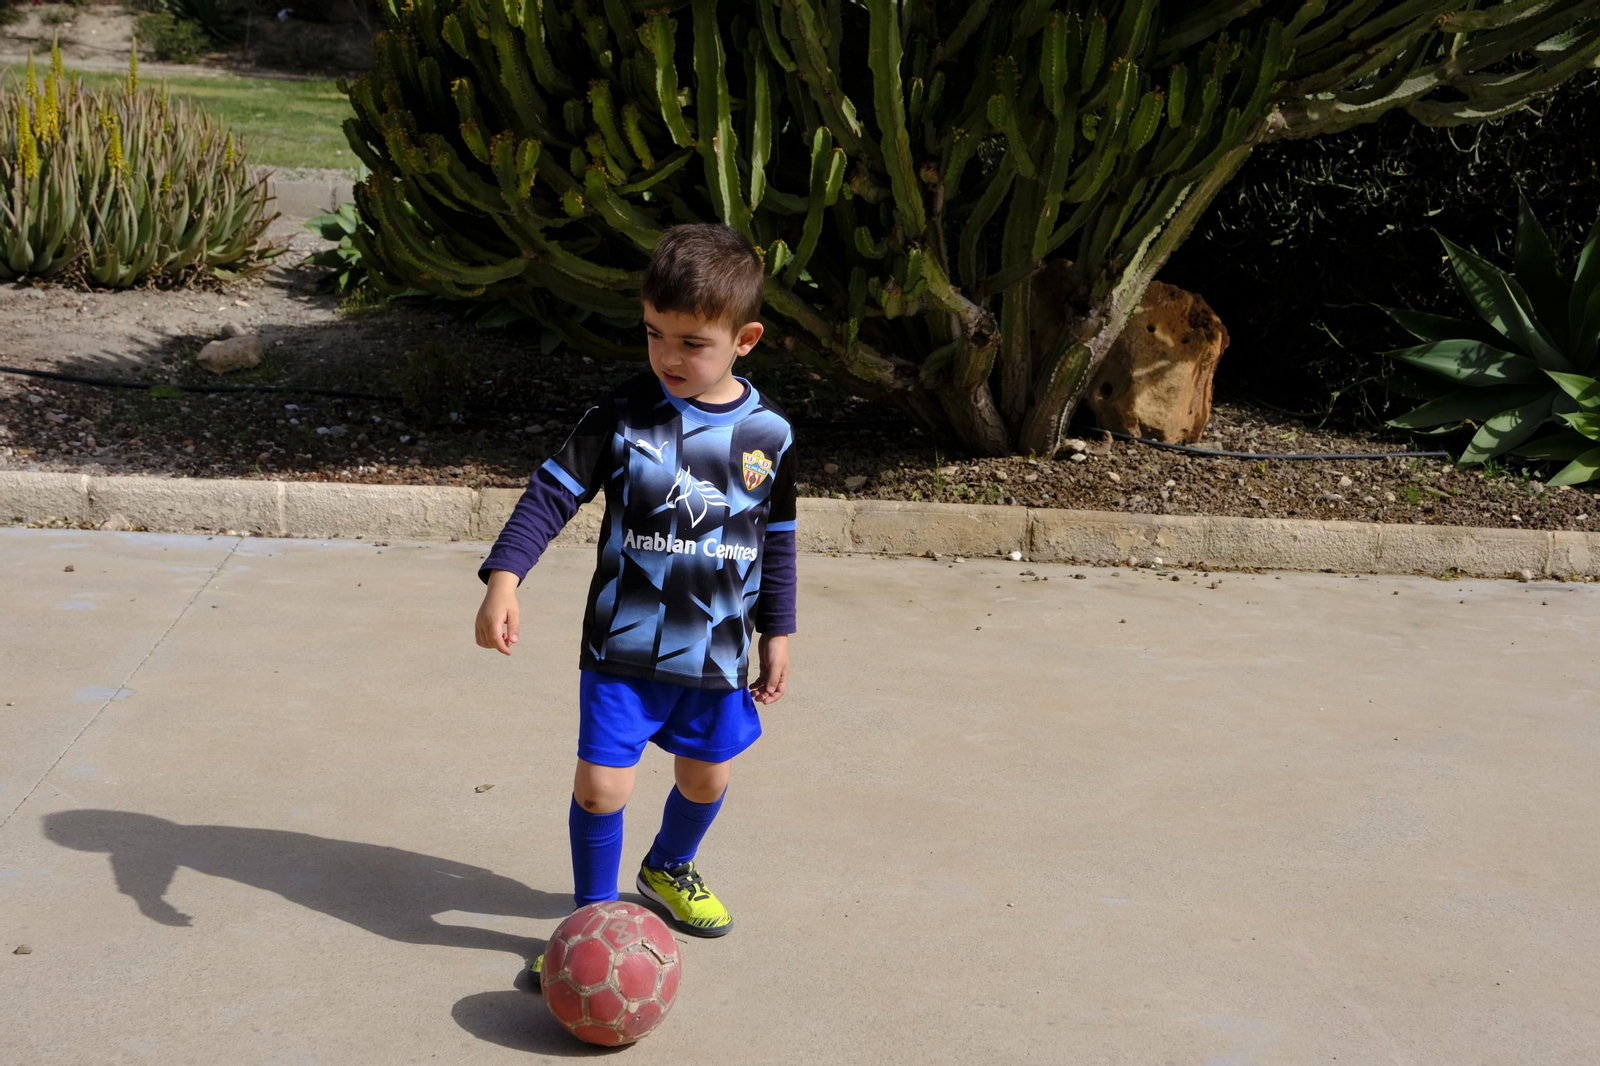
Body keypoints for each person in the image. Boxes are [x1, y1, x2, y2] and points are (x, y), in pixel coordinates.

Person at [473, 223, 797, 981]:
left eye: (691, 343)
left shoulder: (770, 435)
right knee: (601, 786)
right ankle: (590, 922)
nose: (668, 357)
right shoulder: (622, 415)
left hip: (718, 649)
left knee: (706, 777)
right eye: (654, 334)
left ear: (744, 339)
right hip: (624, 644)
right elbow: (550, 494)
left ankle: (668, 868)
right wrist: (504, 578)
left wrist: (777, 631)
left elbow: (777, 537)